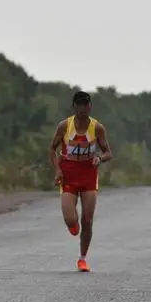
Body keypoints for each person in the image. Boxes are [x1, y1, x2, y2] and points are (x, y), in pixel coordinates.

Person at [49, 91, 113, 272]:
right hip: (69, 173)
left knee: (88, 219)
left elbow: (108, 152)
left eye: (86, 105)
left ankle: (82, 258)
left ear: (90, 106)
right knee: (71, 219)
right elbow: (52, 149)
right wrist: (58, 170)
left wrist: (99, 159)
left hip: (88, 174)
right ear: (74, 106)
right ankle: (72, 225)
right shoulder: (64, 126)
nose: (83, 108)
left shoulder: (97, 128)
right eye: (79, 105)